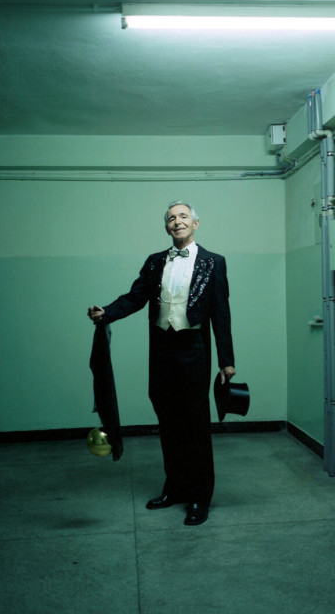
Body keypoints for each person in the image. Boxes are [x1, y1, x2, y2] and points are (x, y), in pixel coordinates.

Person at [88, 201, 235, 526]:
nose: (177, 221)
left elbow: (221, 313)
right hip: (161, 351)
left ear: (195, 223)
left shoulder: (214, 262)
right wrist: (107, 312)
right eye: (171, 218)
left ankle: (199, 496)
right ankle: (175, 488)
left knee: (195, 426)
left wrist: (226, 362)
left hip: (194, 349)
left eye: (183, 216)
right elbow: (135, 297)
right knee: (168, 425)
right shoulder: (155, 262)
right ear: (167, 227)